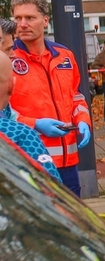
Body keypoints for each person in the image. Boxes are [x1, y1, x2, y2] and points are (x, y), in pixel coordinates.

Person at [8, 0, 92, 195]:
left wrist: (83, 120)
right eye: (17, 18)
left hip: (67, 162)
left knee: (73, 213)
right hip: (29, 159)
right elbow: (4, 113)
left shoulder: (64, 55)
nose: (22, 24)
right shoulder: (6, 60)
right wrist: (36, 124)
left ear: (45, 21)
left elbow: (76, 97)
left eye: (30, 18)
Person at [0, 50, 61, 181]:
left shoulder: (64, 55)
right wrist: (34, 124)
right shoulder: (21, 135)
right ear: (12, 85)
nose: (12, 54)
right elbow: (50, 188)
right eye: (8, 47)